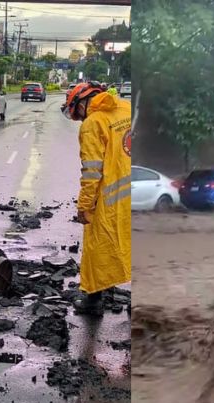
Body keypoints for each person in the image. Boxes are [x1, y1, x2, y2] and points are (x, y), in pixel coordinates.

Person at [61, 81, 132, 315]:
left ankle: (93, 301)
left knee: (96, 248)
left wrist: (84, 207)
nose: (80, 119)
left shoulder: (93, 124)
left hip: (109, 199)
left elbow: (92, 172)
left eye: (77, 113)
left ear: (82, 103)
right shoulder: (125, 108)